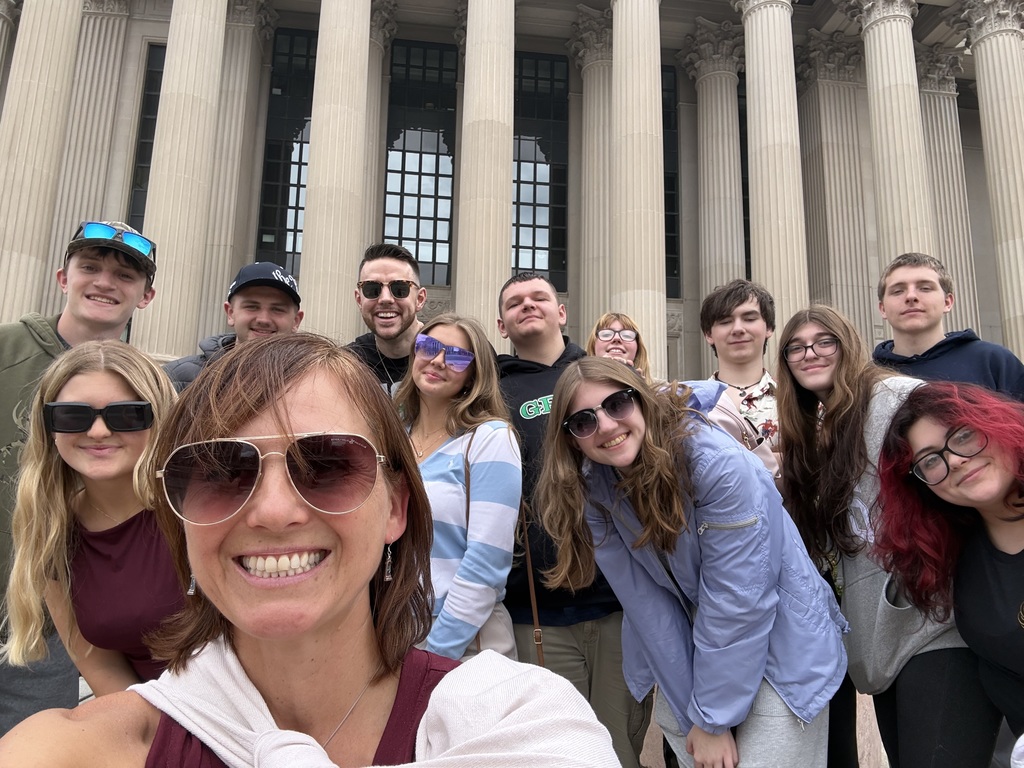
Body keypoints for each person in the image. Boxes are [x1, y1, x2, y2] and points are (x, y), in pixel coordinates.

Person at [0, 333, 618, 767]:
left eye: (327, 464)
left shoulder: (521, 722)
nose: (273, 511)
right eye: (220, 470)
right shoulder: (76, 749)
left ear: (395, 508)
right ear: (178, 514)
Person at [537, 357, 847, 768]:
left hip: (781, 640)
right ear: (572, 439)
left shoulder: (716, 464)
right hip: (694, 643)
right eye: (583, 421)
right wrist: (696, 718)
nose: (607, 426)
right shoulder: (594, 486)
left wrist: (712, 719)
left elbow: (739, 599)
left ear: (641, 399)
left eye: (616, 404)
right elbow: (647, 606)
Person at [776, 304, 1002, 768]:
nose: (810, 354)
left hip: (936, 623)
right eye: (795, 348)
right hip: (882, 635)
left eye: (824, 341)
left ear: (848, 344)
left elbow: (976, 461)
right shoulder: (820, 430)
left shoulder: (898, 398)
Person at [0, 220, 157, 734]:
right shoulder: (7, 351)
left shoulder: (148, 394)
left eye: (124, 275)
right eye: (90, 267)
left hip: (49, 630)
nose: (105, 282)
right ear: (63, 277)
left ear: (146, 295)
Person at [496, 272, 650, 768]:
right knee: (553, 751)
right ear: (501, 324)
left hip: (618, 600)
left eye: (539, 297)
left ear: (562, 312)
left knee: (619, 748)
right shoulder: (490, 390)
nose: (528, 305)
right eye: (515, 302)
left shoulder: (600, 376)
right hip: (535, 607)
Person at [3, 340, 182, 696]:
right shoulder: (52, 526)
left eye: (127, 414)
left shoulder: (198, 505)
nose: (98, 431)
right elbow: (100, 665)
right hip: (147, 713)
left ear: (160, 417)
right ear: (49, 428)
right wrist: (156, 727)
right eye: (72, 416)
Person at [874, 382, 1024, 738]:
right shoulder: (961, 572)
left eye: (964, 435)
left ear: (996, 424)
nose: (954, 460)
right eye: (930, 461)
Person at [393, 313, 521, 661]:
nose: (438, 360)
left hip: (464, 639)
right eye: (428, 346)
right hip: (392, 629)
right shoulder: (394, 436)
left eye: (457, 356)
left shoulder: (490, 439)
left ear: (474, 375)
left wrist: (435, 655)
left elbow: (486, 562)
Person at [873, 252, 1024, 401]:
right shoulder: (868, 378)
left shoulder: (994, 362)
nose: (911, 296)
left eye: (925, 288)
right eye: (898, 291)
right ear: (882, 309)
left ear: (947, 302)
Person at [164, 262, 303, 390]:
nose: (263, 319)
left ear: (296, 321)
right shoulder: (173, 379)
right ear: (230, 313)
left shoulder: (311, 382)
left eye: (277, 309)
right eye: (252, 307)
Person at [349, 243, 427, 395]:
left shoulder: (449, 357)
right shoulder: (347, 365)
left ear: (420, 299)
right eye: (372, 289)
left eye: (399, 289)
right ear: (359, 300)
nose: (385, 299)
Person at [584, 312, 653, 384]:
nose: (616, 338)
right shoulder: (578, 386)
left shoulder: (659, 390)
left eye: (627, 335)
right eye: (606, 334)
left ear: (638, 348)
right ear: (593, 345)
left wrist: (640, 388)